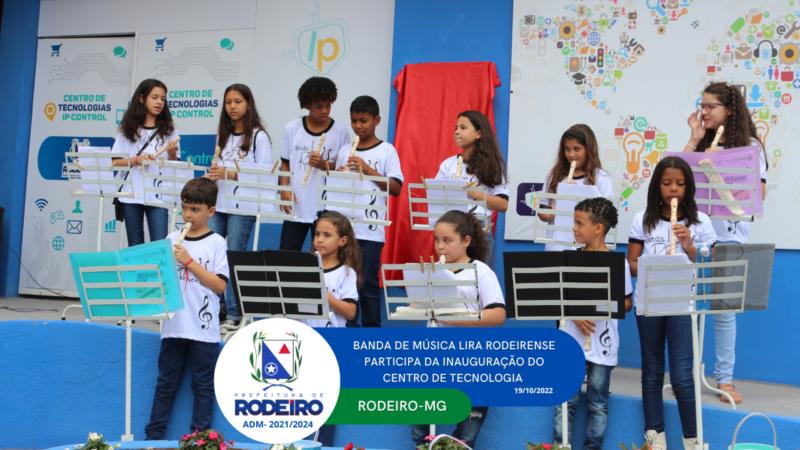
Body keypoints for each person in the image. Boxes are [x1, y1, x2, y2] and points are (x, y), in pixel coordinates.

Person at [684, 81, 768, 404]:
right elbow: (674, 178)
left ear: (729, 110)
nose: (704, 112)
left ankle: (725, 378)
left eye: (710, 107)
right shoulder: (703, 141)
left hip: (728, 235)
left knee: (723, 310)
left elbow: (757, 195)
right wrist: (694, 141)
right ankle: (686, 373)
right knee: (686, 307)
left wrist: (719, 167)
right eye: (702, 106)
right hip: (693, 234)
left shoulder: (749, 147)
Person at [627, 156, 716, 450]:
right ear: (657, 186)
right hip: (649, 302)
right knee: (652, 371)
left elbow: (709, 264)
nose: (673, 189)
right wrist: (655, 265)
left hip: (682, 304)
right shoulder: (643, 219)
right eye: (667, 183)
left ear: (688, 188)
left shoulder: (701, 222)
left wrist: (689, 245)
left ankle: (692, 440)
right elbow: (632, 264)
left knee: (681, 376)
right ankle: (655, 437)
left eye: (680, 184)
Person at [411, 210, 506, 448]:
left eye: (447, 240)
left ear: (466, 241)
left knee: (466, 435)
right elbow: (417, 313)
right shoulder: (432, 270)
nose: (440, 246)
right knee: (420, 428)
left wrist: (459, 319)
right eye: (437, 240)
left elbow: (498, 314)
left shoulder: (481, 271)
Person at [144, 177, 229, 439]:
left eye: (195, 209)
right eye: (184, 208)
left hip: (203, 329)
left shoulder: (217, 242)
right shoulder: (172, 239)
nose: (188, 215)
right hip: (173, 326)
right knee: (165, 385)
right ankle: (153, 438)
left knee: (202, 387)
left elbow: (220, 285)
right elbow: (158, 280)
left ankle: (199, 439)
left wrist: (189, 261)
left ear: (211, 211)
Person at [553, 197, 632, 450]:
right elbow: (557, 298)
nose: (574, 228)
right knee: (565, 401)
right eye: (574, 223)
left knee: (598, 403)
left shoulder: (618, 263)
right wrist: (575, 313)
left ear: (598, 228)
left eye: (579, 223)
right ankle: (561, 445)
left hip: (601, 345)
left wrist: (601, 307)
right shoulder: (569, 259)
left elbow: (627, 302)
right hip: (571, 343)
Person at [205, 83, 272, 333]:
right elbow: (220, 168)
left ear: (248, 105)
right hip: (219, 203)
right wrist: (214, 175)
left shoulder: (258, 136)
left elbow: (265, 175)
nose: (232, 107)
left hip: (243, 206)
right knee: (214, 254)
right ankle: (217, 307)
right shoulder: (222, 134)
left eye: (237, 101)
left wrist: (231, 174)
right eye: (228, 102)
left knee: (234, 256)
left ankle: (234, 312)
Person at [334, 95, 403, 327]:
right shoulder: (345, 150)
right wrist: (341, 175)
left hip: (371, 230)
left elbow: (396, 188)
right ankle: (349, 333)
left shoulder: (387, 151)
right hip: (345, 230)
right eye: (354, 121)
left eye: (363, 121)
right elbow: (337, 189)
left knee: (368, 285)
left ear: (377, 120)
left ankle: (372, 335)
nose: (358, 126)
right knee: (347, 285)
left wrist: (367, 169)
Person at [303, 210, 361, 445]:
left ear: (342, 241)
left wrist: (327, 296)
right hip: (305, 340)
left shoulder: (346, 273)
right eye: (317, 234)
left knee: (325, 399)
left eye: (327, 235)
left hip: (333, 343)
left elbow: (350, 312)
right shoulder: (303, 269)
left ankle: (322, 445)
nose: (319, 240)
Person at [279, 76, 351, 251]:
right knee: (287, 255)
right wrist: (284, 189)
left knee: (322, 257)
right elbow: (285, 164)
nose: (325, 111)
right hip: (297, 203)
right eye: (319, 106)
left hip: (326, 207)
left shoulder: (341, 132)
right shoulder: (292, 128)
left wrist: (324, 165)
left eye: (328, 105)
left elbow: (344, 171)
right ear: (307, 105)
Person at [112, 78, 180, 246]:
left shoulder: (170, 131)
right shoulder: (127, 129)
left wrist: (172, 155)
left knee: (160, 244)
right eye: (154, 97)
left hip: (158, 194)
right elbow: (115, 162)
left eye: (163, 99)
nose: (159, 102)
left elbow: (175, 166)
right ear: (142, 98)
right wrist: (136, 160)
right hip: (131, 193)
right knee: (135, 246)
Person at [435, 111, 508, 242]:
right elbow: (435, 197)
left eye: (463, 128)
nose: (457, 132)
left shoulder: (492, 165)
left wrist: (474, 193)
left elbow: (503, 205)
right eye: (456, 128)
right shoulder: (448, 164)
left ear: (478, 134)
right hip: (450, 224)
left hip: (478, 227)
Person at [538, 124, 614, 251]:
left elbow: (607, 217)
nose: (571, 154)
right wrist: (561, 200)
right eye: (567, 149)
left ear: (588, 150)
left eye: (577, 149)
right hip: (556, 245)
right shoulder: (554, 176)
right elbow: (543, 213)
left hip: (587, 248)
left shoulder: (601, 177)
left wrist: (577, 195)